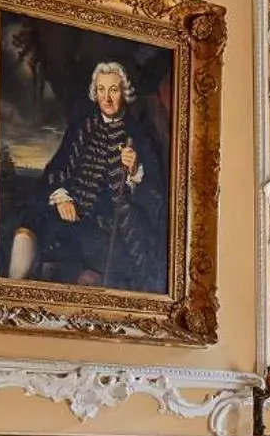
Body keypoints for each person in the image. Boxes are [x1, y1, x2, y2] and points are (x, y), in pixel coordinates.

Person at [21, 61, 169, 293]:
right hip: (70, 216)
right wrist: (62, 197)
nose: (107, 98)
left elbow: (155, 195)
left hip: (111, 228)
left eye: (113, 90)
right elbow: (57, 169)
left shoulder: (138, 135)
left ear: (124, 93)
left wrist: (135, 172)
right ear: (95, 92)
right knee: (29, 233)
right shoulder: (82, 128)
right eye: (101, 89)